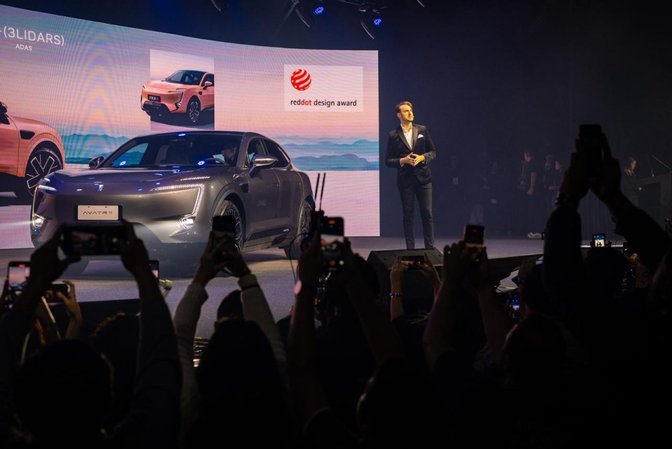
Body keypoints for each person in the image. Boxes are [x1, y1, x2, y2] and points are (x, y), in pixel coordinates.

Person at [385, 101, 437, 249]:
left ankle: (430, 248)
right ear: (399, 115)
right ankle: (410, 249)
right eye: (406, 111)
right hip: (405, 180)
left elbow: (433, 152)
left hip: (424, 179)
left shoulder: (422, 130)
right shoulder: (393, 135)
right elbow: (388, 161)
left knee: (427, 213)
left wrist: (422, 158)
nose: (410, 113)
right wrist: (403, 160)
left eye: (411, 110)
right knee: (408, 215)